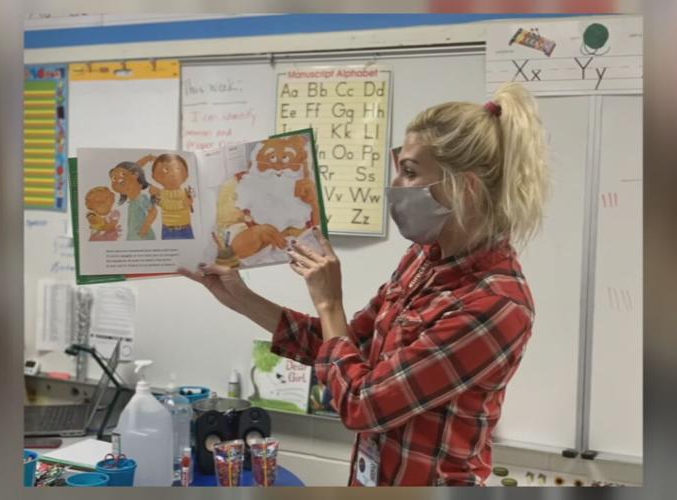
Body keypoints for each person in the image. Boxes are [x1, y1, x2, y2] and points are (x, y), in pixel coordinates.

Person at [178, 82, 549, 486]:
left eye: (409, 171)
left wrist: (329, 303)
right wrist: (241, 299)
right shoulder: (424, 259)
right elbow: (344, 349)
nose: (395, 185)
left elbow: (362, 403)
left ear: (467, 188)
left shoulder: (496, 303)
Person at [109, 161, 157, 240]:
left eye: (122, 174)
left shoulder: (141, 198)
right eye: (114, 178)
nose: (119, 181)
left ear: (135, 175)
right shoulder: (132, 201)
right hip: (133, 237)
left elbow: (153, 211)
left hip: (142, 236)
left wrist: (146, 227)